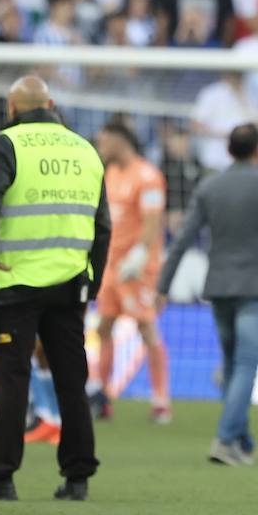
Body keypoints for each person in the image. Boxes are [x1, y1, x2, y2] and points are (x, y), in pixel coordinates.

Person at [0, 76, 110, 501]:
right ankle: (78, 478)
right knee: (71, 381)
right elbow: (102, 224)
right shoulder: (86, 150)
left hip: (18, 279)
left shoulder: (6, 144)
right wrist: (91, 280)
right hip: (70, 283)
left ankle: (0, 478)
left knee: (12, 379)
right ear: (52, 104)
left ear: (11, 108)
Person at [158, 124, 258, 467]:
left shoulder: (210, 186)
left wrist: (162, 287)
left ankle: (243, 440)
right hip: (256, 286)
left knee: (232, 366)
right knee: (245, 365)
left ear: (229, 151)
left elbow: (182, 239)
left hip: (219, 287)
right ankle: (225, 440)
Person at [91, 122, 170, 425]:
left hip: (138, 268)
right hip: (112, 265)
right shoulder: (109, 173)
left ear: (119, 140)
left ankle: (161, 401)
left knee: (146, 327)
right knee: (103, 326)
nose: (100, 145)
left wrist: (139, 254)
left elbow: (153, 220)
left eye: (104, 139)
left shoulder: (148, 175)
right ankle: (101, 394)